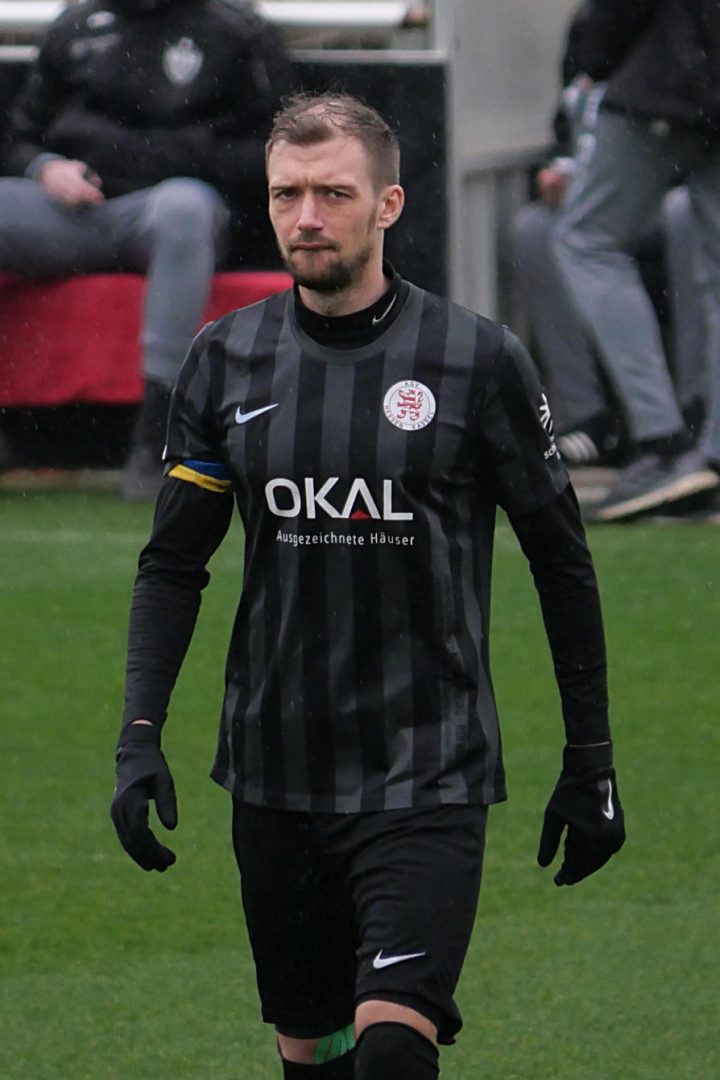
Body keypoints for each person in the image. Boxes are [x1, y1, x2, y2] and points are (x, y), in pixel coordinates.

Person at [110, 93, 626, 1079]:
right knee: (313, 1054)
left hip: (425, 768)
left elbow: (561, 561)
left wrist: (590, 756)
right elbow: (173, 563)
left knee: (391, 1047)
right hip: (275, 771)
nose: (306, 217)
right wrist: (139, 737)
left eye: (333, 194)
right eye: (287, 194)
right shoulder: (224, 359)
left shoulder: (477, 360)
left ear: (388, 204)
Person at [0, 0, 291, 499]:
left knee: (183, 210)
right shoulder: (76, 25)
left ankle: (160, 432)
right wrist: (45, 167)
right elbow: (19, 135)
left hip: (178, 208)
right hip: (75, 209)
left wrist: (178, 158)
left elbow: (277, 146)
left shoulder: (234, 28)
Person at [515, 2, 708, 467]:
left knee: (680, 220)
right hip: (614, 194)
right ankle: (587, 418)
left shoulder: (650, 44)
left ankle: (685, 418)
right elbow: (566, 135)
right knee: (535, 230)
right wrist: (560, 171)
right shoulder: (585, 32)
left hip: (665, 180)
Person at [553, 0, 720, 521]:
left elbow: (616, 15)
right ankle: (714, 457)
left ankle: (663, 443)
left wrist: (594, 57)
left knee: (587, 241)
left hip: (670, 85)